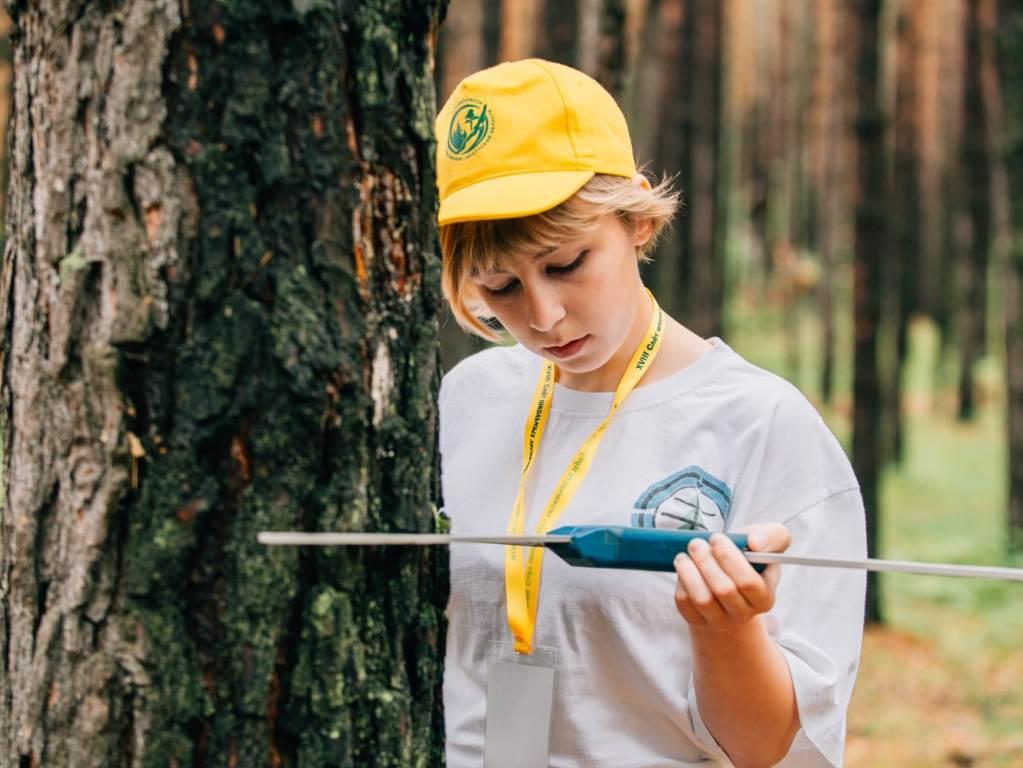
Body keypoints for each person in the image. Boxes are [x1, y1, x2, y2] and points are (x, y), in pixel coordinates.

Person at [435, 58, 866, 768]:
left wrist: (727, 633)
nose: (542, 315)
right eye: (500, 286)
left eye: (568, 263)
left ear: (634, 220)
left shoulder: (761, 425)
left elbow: (772, 751)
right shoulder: (465, 399)